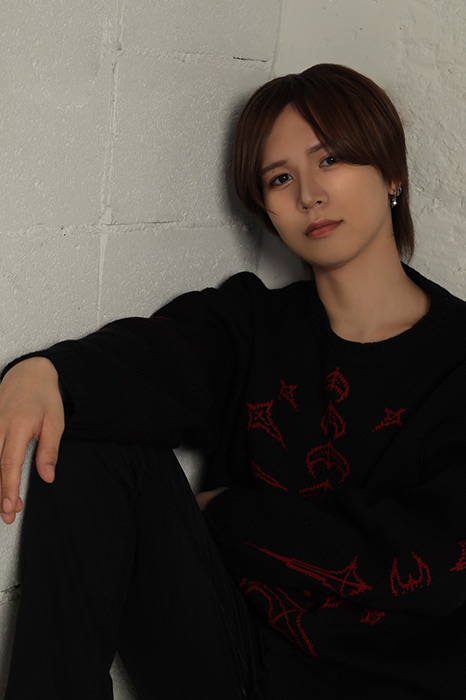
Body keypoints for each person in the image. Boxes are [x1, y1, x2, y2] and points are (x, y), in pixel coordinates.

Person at [1, 63, 466, 699]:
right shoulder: (252, 325)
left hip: (388, 687)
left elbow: (424, 567)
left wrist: (225, 512)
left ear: (391, 173)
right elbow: (146, 365)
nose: (309, 195)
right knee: (86, 425)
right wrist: (42, 371)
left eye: (330, 160)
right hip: (236, 667)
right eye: (281, 178)